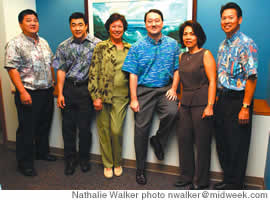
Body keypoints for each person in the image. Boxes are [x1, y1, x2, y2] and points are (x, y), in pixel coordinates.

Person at [122, 9, 180, 185]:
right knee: (141, 131)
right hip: (144, 91)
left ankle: (158, 140)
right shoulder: (137, 46)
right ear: (146, 24)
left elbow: (177, 68)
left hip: (165, 90)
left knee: (173, 113)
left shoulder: (173, 44)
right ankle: (140, 169)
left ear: (162, 23)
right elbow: (132, 74)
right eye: (150, 21)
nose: (153, 24)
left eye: (157, 20)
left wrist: (175, 88)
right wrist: (133, 98)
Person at [4, 9, 56, 177]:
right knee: (27, 129)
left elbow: (50, 64)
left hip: (46, 90)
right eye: (28, 20)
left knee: (43, 124)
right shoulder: (15, 43)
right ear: (21, 24)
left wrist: (53, 84)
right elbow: (12, 69)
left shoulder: (44, 42)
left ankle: (42, 153)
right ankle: (24, 163)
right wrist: (22, 92)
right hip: (28, 91)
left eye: (35, 20)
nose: (33, 23)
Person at [214, 2, 258, 190]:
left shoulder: (247, 44)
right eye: (224, 18)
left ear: (239, 20)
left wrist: (245, 106)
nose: (226, 21)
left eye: (230, 17)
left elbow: (252, 77)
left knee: (237, 145)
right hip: (222, 99)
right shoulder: (223, 45)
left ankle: (236, 185)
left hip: (239, 101)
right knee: (223, 141)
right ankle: (228, 179)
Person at [52, 12, 101, 176]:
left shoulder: (97, 45)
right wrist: (60, 93)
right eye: (74, 24)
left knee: (85, 128)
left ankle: (84, 159)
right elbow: (60, 70)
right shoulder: (63, 46)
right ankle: (70, 161)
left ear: (86, 25)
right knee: (68, 128)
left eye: (80, 24)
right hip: (68, 89)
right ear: (70, 26)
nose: (77, 28)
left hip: (87, 90)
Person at [173, 20, 216, 190]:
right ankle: (186, 177)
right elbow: (183, 81)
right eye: (185, 34)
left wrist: (210, 105)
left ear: (198, 36)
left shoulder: (206, 54)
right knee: (184, 141)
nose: (188, 37)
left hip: (202, 102)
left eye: (191, 33)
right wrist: (180, 100)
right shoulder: (182, 56)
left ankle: (201, 181)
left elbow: (213, 81)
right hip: (185, 104)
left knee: (202, 143)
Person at [88, 13, 131, 179]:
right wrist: (95, 97)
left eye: (120, 26)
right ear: (108, 28)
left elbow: (134, 73)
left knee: (116, 131)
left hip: (121, 97)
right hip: (102, 96)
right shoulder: (100, 47)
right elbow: (93, 73)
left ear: (124, 28)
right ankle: (108, 164)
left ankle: (117, 162)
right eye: (113, 26)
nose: (117, 29)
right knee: (104, 131)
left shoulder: (129, 48)